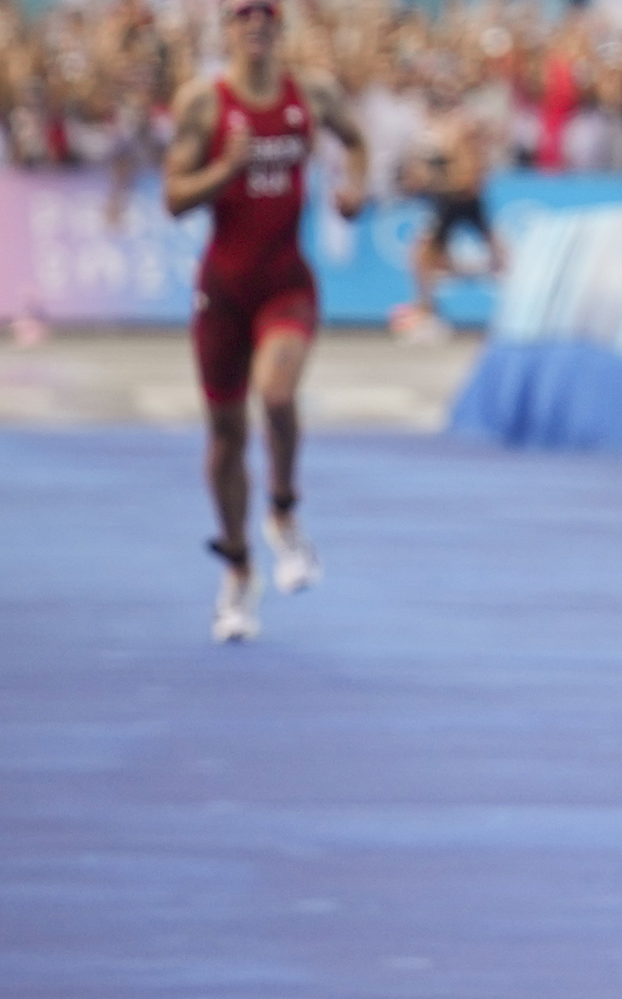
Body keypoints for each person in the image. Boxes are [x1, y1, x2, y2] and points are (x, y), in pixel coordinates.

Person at [162, 0, 365, 645]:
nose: (255, 23)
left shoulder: (312, 93)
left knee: (276, 394)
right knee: (224, 434)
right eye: (243, 13)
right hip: (222, 294)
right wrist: (227, 168)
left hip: (285, 285)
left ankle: (283, 512)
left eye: (266, 13)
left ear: (279, 27)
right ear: (227, 28)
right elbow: (172, 197)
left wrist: (353, 190)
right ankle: (239, 570)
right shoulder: (204, 104)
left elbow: (356, 143)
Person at [401, 100, 503, 335]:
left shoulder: (465, 139)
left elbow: (465, 183)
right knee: (422, 257)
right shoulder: (442, 137)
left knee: (499, 259)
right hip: (451, 203)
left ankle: (428, 312)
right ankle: (427, 313)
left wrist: (431, 181)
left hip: (459, 203)